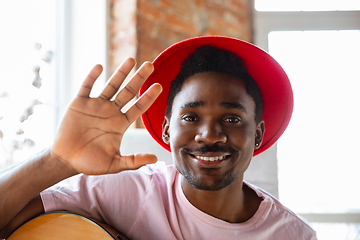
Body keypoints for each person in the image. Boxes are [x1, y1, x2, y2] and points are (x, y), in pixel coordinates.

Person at [0, 36, 317, 239]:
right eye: (190, 117)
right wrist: (56, 161)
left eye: (232, 118)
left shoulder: (291, 235)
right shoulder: (128, 190)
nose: (209, 135)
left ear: (257, 134)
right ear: (167, 130)